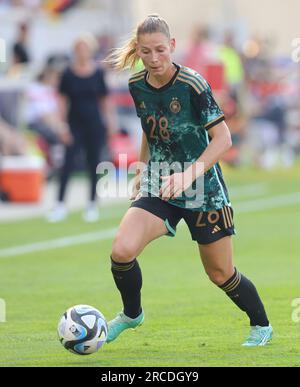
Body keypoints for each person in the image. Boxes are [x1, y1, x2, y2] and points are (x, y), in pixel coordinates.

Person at [105, 15, 273, 347]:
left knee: (220, 274)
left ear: (172, 46)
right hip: (161, 184)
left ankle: (261, 325)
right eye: (146, 52)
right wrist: (142, 168)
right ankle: (131, 314)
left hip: (203, 188)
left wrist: (188, 175)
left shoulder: (193, 84)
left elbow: (223, 139)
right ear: (138, 51)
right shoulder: (137, 84)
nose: (154, 59)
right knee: (122, 251)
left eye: (160, 51)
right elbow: (149, 126)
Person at [47, 33, 116, 223]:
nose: (82, 52)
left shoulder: (98, 72)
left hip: (94, 124)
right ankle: (60, 204)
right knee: (67, 164)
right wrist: (62, 126)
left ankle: (92, 204)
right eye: (79, 48)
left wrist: (110, 122)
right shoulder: (67, 73)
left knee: (93, 163)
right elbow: (61, 101)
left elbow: (105, 100)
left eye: (85, 48)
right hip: (74, 124)